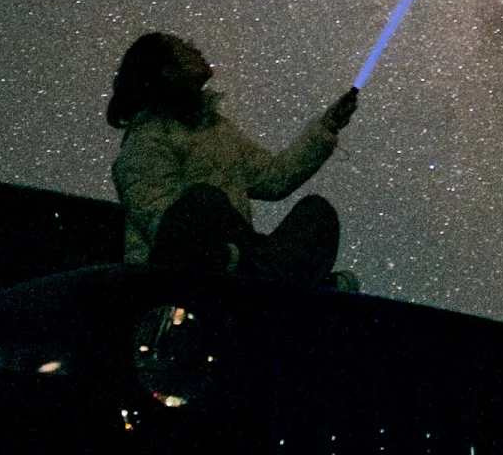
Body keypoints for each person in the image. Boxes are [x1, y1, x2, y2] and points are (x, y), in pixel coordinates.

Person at [107, 31, 359, 287]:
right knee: (203, 201)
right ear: (167, 70)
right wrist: (225, 254)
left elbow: (275, 178)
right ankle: (282, 279)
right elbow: (165, 227)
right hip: (182, 278)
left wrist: (328, 125)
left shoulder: (218, 131)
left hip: (236, 260)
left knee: (317, 214)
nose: (195, 48)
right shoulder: (145, 141)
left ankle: (267, 275)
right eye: (184, 46)